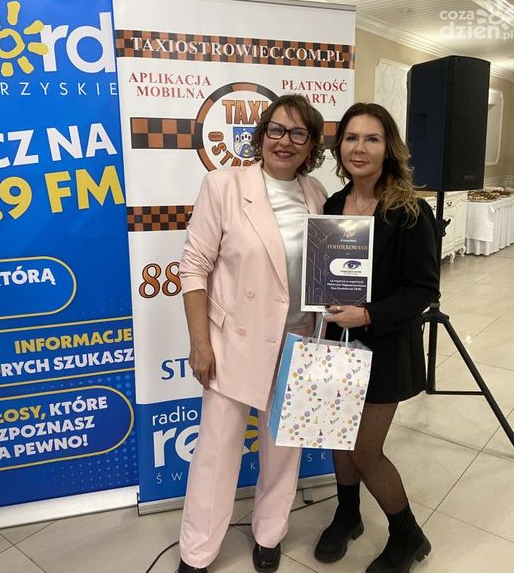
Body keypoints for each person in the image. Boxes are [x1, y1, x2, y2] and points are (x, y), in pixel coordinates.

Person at [178, 94, 327, 573]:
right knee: (216, 452)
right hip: (233, 343)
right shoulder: (223, 185)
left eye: (299, 133)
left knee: (284, 450)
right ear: (261, 136)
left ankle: (269, 534)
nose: (285, 141)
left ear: (311, 145)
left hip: (299, 340)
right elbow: (194, 268)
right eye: (277, 130)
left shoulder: (317, 193)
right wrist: (200, 343)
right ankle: (197, 551)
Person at [313, 102, 439, 573]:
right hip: (337, 342)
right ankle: (348, 515)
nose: (359, 148)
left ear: (389, 148)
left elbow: (423, 289)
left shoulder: (409, 211)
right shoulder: (332, 205)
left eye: (372, 138)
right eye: (351, 138)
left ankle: (408, 535)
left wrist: (367, 314)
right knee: (338, 435)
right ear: (339, 147)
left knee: (365, 450)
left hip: (384, 345)